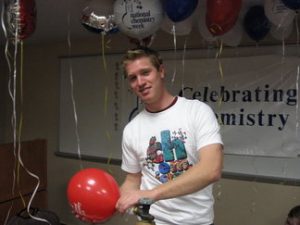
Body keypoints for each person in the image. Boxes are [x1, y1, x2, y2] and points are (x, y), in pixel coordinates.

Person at [115, 47, 224, 225]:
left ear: (161, 71)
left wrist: (150, 194)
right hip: (151, 221)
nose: (140, 82)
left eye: (145, 72)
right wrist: (110, 202)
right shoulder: (132, 129)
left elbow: (211, 169)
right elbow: (133, 179)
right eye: (133, 78)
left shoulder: (196, 111)